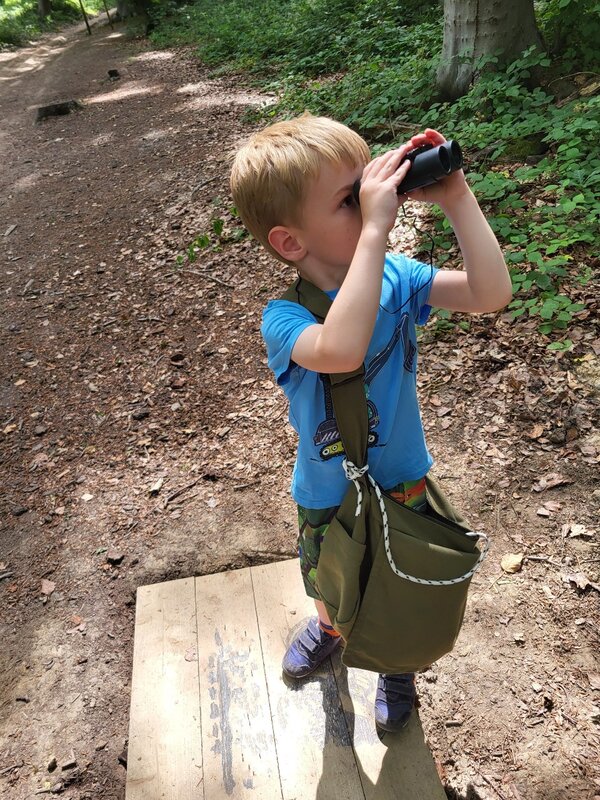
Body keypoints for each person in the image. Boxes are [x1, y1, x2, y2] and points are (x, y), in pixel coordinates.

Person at [230, 113, 511, 732]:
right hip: (328, 494)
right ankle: (331, 628)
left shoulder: (398, 277)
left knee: (397, 582)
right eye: (349, 199)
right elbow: (341, 349)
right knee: (333, 582)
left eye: (368, 186)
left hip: (402, 479)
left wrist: (457, 198)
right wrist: (377, 229)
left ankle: (396, 666)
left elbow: (490, 293)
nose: (372, 200)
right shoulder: (281, 320)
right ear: (291, 243)